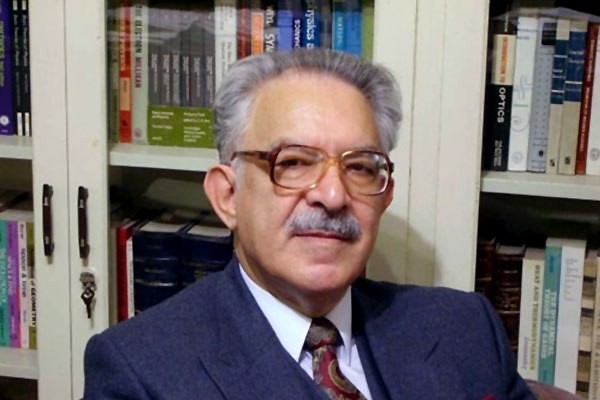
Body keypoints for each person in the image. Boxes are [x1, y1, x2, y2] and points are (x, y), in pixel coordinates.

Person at [83, 48, 534, 399]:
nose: (333, 196)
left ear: (384, 196)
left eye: (359, 167)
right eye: (294, 162)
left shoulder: (464, 327)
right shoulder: (139, 371)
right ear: (228, 196)